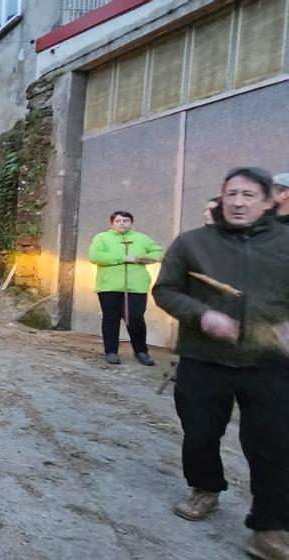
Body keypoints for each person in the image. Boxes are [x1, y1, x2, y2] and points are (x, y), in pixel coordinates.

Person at [153, 167, 289, 560]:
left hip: (270, 364)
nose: (238, 202)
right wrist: (202, 316)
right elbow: (165, 290)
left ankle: (270, 526)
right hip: (203, 359)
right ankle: (205, 488)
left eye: (249, 195)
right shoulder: (193, 243)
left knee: (274, 446)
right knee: (199, 434)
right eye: (231, 193)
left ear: (268, 200)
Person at [88, 211, 163, 365]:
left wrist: (146, 259)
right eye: (118, 220)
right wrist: (124, 258)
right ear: (112, 223)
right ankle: (111, 352)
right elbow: (95, 256)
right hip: (109, 286)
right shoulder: (102, 238)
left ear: (131, 223)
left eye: (126, 220)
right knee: (111, 318)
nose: (122, 223)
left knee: (135, 318)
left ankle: (141, 351)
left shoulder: (142, 238)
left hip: (136, 286)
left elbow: (158, 252)